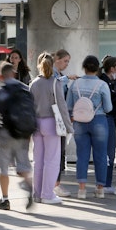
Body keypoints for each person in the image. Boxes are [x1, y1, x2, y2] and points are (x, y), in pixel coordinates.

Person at [66, 55, 113, 200]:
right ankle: (100, 189)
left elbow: (68, 105)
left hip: (79, 121)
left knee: (82, 155)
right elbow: (109, 107)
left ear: (84, 67)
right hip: (98, 120)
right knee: (100, 155)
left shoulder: (75, 84)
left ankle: (81, 189)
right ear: (98, 68)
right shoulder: (102, 85)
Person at [29, 53, 71, 206]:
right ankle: (47, 194)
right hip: (52, 123)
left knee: (38, 160)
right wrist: (68, 126)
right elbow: (62, 106)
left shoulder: (34, 83)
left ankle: (37, 193)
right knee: (52, 160)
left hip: (36, 123)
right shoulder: (56, 82)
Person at [0, 61, 33, 211]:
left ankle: (5, 199)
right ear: (13, 73)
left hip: (5, 133)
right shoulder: (25, 89)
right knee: (23, 165)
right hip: (23, 132)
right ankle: (29, 187)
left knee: (3, 168)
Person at [98, 56, 116, 192]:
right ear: (112, 68)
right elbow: (112, 100)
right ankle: (105, 183)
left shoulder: (109, 82)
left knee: (105, 152)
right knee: (108, 153)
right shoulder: (105, 82)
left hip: (106, 119)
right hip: (107, 118)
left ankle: (104, 182)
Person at [52, 49, 73, 198]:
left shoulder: (58, 76)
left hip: (55, 116)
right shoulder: (57, 77)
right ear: (56, 59)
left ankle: (53, 183)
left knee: (56, 152)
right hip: (56, 116)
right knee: (58, 152)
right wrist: (67, 78)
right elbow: (55, 87)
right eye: (65, 61)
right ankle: (55, 184)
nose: (66, 64)